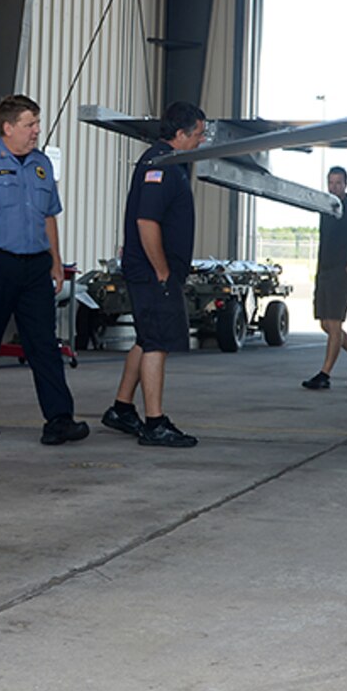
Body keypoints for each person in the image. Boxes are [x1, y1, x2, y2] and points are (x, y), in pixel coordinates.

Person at [0, 94, 88, 445]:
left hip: (35, 267)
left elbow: (49, 216)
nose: (36, 130)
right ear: (8, 127)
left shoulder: (42, 165)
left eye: (37, 123)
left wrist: (56, 261)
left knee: (44, 344)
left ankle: (59, 419)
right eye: (30, 124)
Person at [102, 102, 208, 448]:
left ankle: (121, 407)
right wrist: (163, 271)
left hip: (152, 271)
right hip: (152, 273)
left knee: (148, 337)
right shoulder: (160, 166)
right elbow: (147, 222)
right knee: (158, 343)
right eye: (198, 134)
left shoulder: (168, 162)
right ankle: (155, 422)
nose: (202, 140)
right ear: (180, 134)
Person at [302, 165, 347, 390]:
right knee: (325, 323)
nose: (334, 187)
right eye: (331, 183)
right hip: (324, 271)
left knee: (334, 324)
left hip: (340, 274)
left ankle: (324, 374)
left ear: (346, 184)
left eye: (338, 183)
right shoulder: (327, 208)